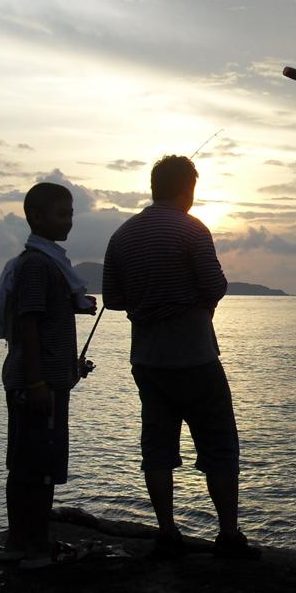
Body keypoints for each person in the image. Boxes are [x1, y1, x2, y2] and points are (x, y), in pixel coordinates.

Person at [102, 155, 258, 561]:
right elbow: (215, 285)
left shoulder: (120, 236)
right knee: (220, 446)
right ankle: (228, 535)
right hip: (195, 356)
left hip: (148, 360)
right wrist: (192, 300)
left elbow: (114, 299)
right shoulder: (193, 230)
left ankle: (167, 531)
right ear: (187, 188)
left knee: (157, 447)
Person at [0, 182, 98, 568]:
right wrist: (39, 382)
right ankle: (38, 550)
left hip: (36, 381)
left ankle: (17, 545)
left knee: (23, 464)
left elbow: (41, 313)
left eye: (70, 213)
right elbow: (29, 324)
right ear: (36, 217)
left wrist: (74, 307)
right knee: (39, 470)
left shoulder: (39, 263)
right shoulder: (40, 265)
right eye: (61, 213)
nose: (68, 220)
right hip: (37, 386)